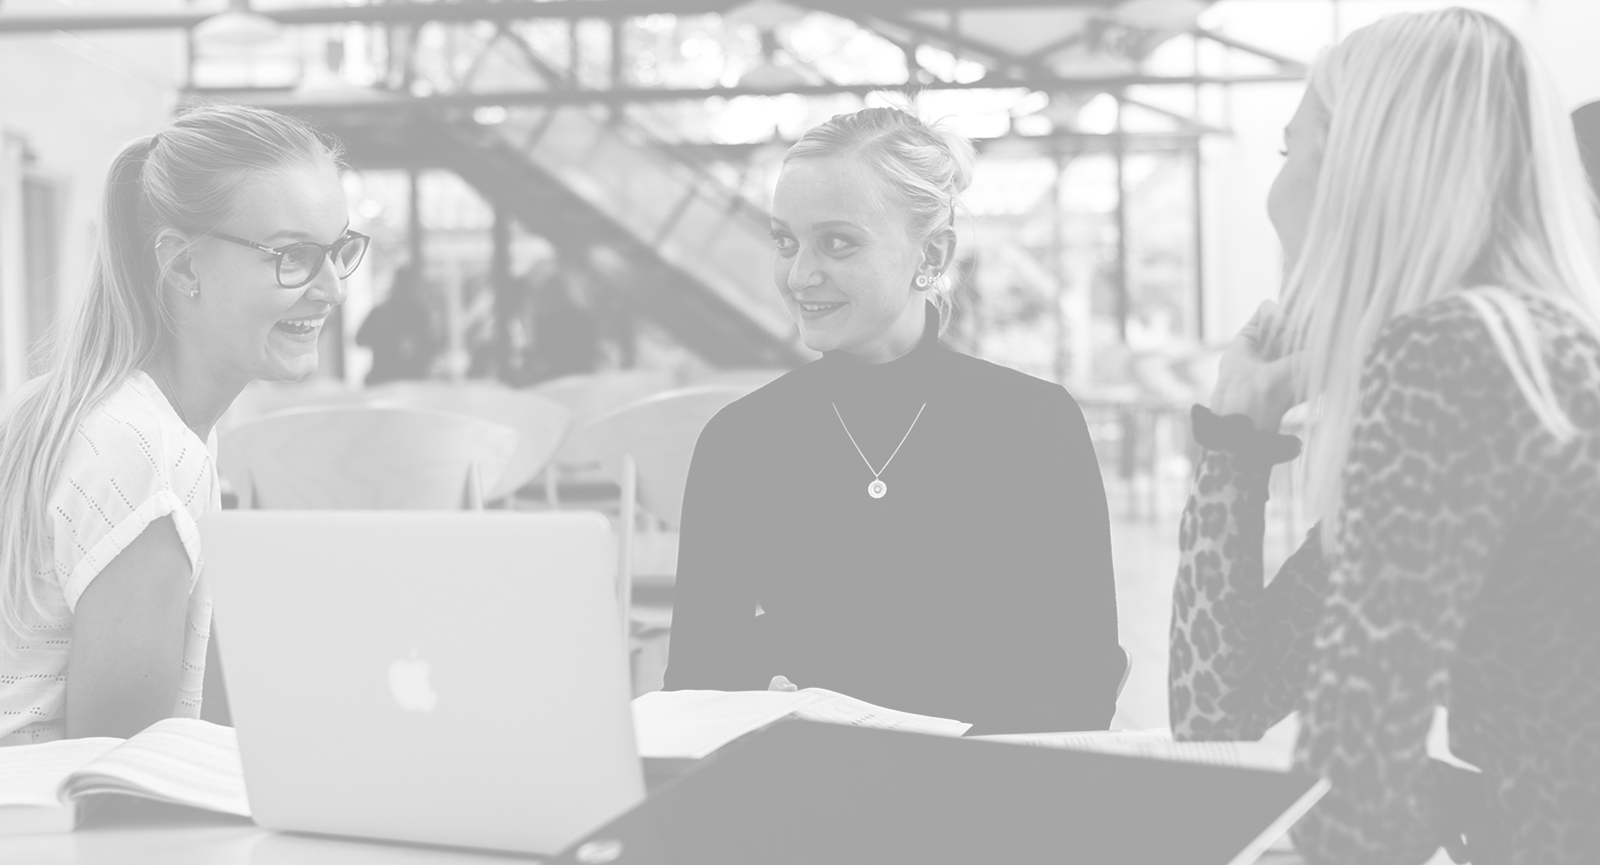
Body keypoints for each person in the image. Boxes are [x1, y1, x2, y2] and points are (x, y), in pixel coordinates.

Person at [1166, 9, 1600, 864]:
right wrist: (1237, 435)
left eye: (1290, 153)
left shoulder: (1455, 354)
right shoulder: (1520, 352)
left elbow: (1354, 805)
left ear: (1364, 168)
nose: (1273, 193)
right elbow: (1222, 712)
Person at [664, 107, 1122, 735]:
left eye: (838, 242)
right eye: (785, 241)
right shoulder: (741, 440)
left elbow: (1082, 674)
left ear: (931, 252)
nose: (799, 276)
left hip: (994, 796)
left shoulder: (1033, 426)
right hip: (812, 797)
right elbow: (695, 681)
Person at [0, 104, 364, 744]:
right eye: (293, 255)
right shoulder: (144, 451)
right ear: (183, 266)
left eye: (339, 250)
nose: (333, 290)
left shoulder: (65, 409)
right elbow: (122, 772)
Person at [355, 264, 442, 386]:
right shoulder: (382, 312)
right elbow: (359, 339)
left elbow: (431, 346)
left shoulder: (419, 313)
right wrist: (385, 340)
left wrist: (416, 348)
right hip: (385, 381)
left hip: (411, 380)